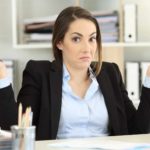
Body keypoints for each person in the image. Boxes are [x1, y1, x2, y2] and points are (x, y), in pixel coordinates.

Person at [0, 6, 150, 141]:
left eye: (92, 38)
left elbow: (136, 130)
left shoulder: (110, 73)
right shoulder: (39, 73)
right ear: (59, 42)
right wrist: (2, 81)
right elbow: (17, 128)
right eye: (76, 39)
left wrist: (149, 82)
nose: (87, 48)